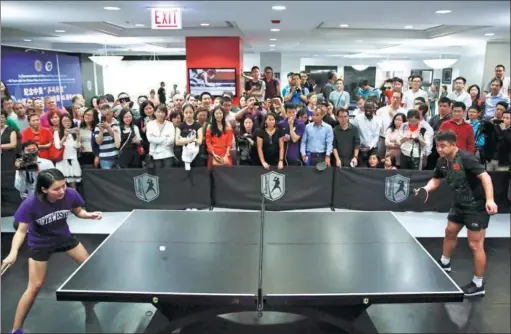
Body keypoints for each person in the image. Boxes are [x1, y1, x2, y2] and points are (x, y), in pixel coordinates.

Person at [2, 169, 102, 334]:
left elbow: (78, 211)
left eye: (63, 186)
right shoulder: (31, 203)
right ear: (44, 189)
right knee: (34, 287)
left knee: (88, 266)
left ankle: (87, 300)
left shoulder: (70, 194)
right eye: (56, 189)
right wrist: (13, 252)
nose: (62, 190)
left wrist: (88, 215)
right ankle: (16, 329)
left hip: (64, 237)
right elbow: (21, 231)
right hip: (40, 244)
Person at [413, 130, 498, 297]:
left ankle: (478, 284)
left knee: (475, 245)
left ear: (453, 145)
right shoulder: (441, 161)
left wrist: (490, 200)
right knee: (449, 232)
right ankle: (445, 263)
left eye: (443, 146)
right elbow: (436, 179)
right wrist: (425, 189)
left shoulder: (467, 158)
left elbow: (485, 177)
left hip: (476, 206)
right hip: (459, 204)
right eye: (437, 146)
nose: (440, 149)